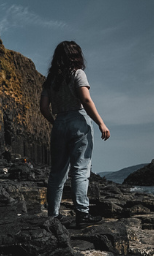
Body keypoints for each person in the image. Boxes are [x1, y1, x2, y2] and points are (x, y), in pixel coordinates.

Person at [39, 41, 110, 228]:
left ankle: (53, 216)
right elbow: (85, 99)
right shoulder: (77, 74)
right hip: (78, 123)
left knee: (57, 173)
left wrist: (55, 122)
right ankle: (82, 214)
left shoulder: (51, 80)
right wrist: (101, 123)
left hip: (59, 124)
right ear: (76, 55)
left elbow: (44, 108)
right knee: (80, 169)